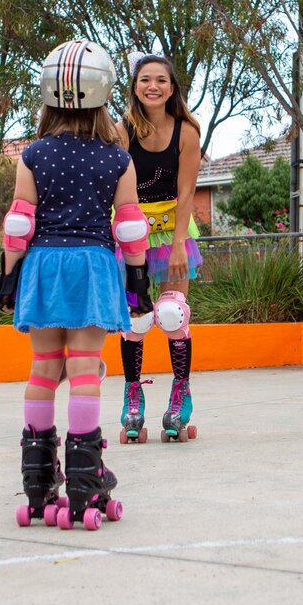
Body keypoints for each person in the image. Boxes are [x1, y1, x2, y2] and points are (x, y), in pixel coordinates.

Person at [0, 39, 153, 530]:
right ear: (105, 93)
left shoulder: (34, 154)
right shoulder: (116, 159)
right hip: (90, 264)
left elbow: (19, 224)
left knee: (44, 367)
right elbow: (129, 224)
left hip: (43, 263)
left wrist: (7, 277)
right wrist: (138, 276)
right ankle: (86, 482)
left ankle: (38, 484)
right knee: (85, 368)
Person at [115, 52, 204, 443]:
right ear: (135, 87)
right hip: (130, 233)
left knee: (171, 315)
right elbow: (114, 186)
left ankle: (179, 394)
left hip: (172, 232)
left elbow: (186, 191)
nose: (153, 86)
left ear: (172, 88)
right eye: (145, 79)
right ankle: (132, 396)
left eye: (161, 80)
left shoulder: (186, 131)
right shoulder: (122, 130)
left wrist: (181, 243)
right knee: (135, 321)